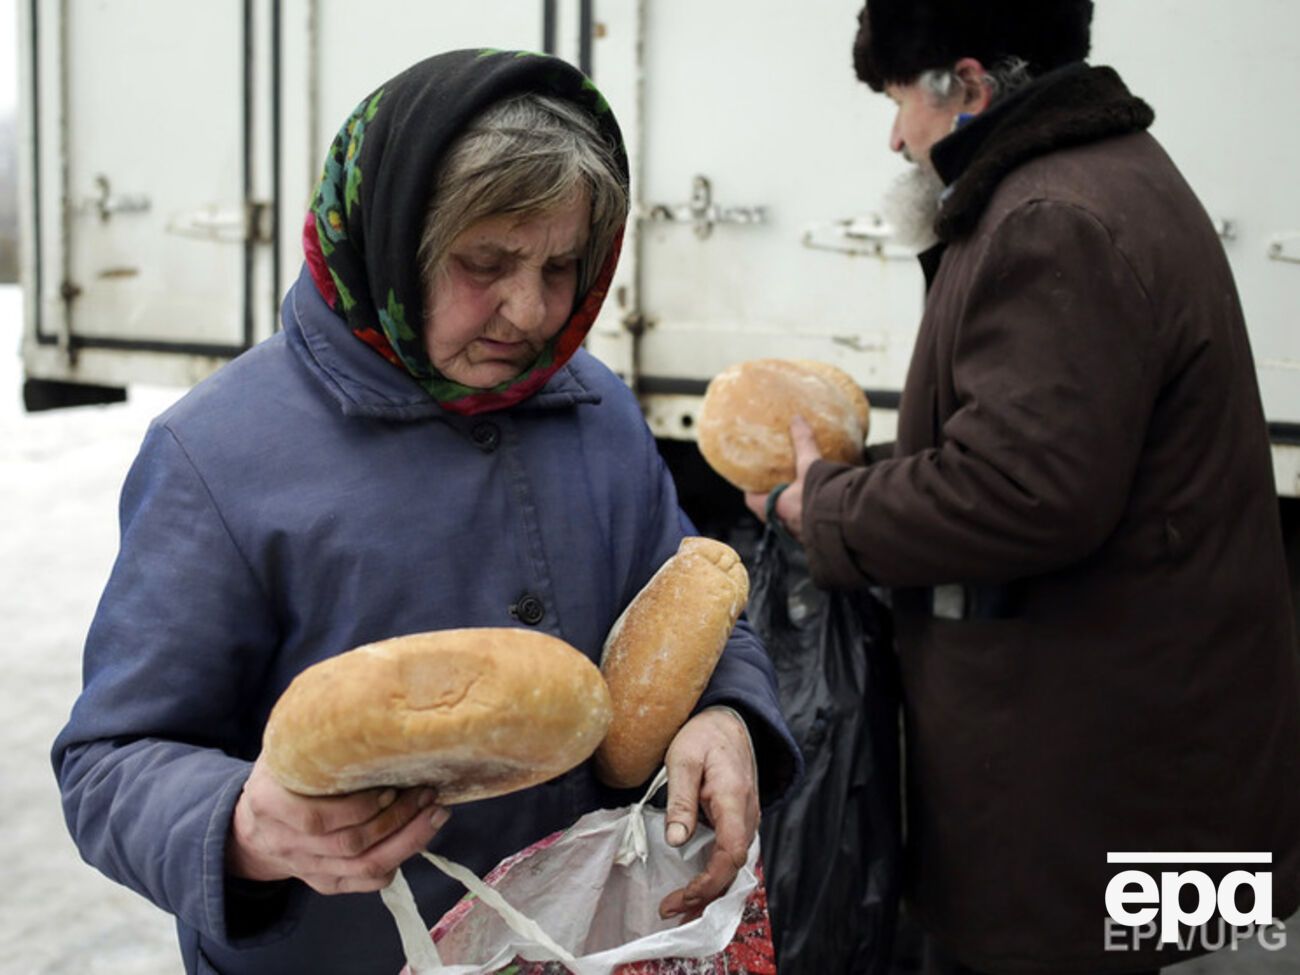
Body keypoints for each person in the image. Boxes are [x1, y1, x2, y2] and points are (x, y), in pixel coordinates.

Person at [53, 50, 798, 975]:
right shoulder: (218, 455)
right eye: (484, 262)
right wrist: (244, 823)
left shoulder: (594, 409)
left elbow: (685, 603)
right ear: (389, 237)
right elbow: (109, 759)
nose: (528, 310)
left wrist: (726, 711)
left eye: (563, 266)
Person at [746, 2, 1300, 973]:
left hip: (1094, 776)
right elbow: (1038, 447)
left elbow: (1021, 490)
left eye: (897, 103)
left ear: (965, 84)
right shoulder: (1100, 175)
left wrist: (823, 507)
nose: (893, 137)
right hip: (1139, 743)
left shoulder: (1052, 218)